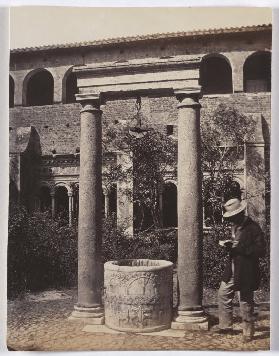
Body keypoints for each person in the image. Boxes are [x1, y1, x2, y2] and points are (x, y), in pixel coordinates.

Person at [212, 197, 266, 342]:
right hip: (232, 267)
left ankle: (248, 332)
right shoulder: (235, 226)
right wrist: (228, 245)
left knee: (245, 300)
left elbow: (261, 251)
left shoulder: (253, 228)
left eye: (233, 217)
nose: (231, 220)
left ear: (240, 214)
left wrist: (238, 247)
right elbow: (236, 245)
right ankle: (225, 326)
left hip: (247, 269)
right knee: (223, 293)